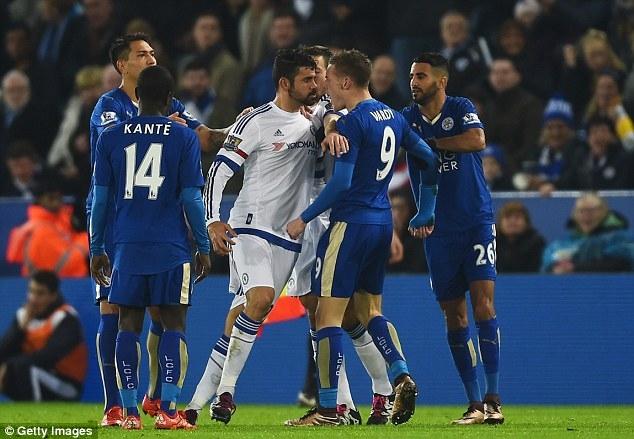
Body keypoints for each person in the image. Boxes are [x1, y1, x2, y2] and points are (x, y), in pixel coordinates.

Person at [286, 49, 438, 426]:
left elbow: (341, 183)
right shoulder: (394, 117)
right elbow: (429, 158)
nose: (326, 89)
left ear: (345, 81)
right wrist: (426, 208)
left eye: (329, 81)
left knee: (327, 318)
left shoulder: (353, 123)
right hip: (381, 224)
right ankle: (401, 375)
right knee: (371, 311)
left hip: (350, 225)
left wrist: (303, 218)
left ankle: (327, 409)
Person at [88, 32, 227, 427]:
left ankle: (136, 406)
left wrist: (241, 130)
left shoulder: (123, 131)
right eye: (142, 54)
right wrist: (204, 244)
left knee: (132, 320)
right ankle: (136, 406)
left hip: (124, 235)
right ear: (122, 65)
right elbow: (191, 194)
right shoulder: (108, 109)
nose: (150, 58)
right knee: (147, 318)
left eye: (152, 52)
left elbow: (204, 134)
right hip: (151, 234)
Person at [202, 48, 320, 426]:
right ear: (285, 83)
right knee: (262, 297)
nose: (314, 84)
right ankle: (226, 394)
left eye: (316, 78)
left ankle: (194, 404)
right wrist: (212, 220)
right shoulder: (256, 120)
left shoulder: (317, 119)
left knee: (248, 311)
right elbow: (219, 171)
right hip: (250, 226)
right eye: (306, 79)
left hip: (290, 236)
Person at [403, 52, 504, 425]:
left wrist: (430, 144)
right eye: (412, 76)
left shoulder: (461, 108)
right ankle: (474, 403)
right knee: (454, 314)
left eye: (422, 76)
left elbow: (477, 139)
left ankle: (494, 399)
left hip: (475, 220)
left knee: (484, 306)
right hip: (438, 230)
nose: (414, 82)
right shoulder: (406, 117)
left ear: (441, 81)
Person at [0, 270, 87, 401]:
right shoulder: (23, 316)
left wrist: (10, 365)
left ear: (53, 296)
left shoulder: (66, 318)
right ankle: (23, 408)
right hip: (32, 373)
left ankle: (34, 410)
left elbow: (48, 356)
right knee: (15, 368)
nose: (33, 298)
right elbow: (3, 352)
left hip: (66, 386)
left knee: (23, 367)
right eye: (31, 291)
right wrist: (20, 330)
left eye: (40, 293)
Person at [6, 175, 88, 277]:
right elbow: (64, 264)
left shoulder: (65, 220)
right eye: (51, 198)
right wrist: (85, 240)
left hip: (71, 279)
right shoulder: (38, 228)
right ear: (40, 200)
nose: (57, 202)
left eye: (59, 198)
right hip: (51, 282)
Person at [541, 192, 634, 273]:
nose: (586, 216)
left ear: (604, 211)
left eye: (591, 210)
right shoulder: (560, 245)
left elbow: (621, 263)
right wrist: (555, 268)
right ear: (574, 214)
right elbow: (548, 267)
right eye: (581, 211)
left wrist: (575, 268)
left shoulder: (622, 239)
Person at [496, 202, 546, 272]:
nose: (512, 221)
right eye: (507, 217)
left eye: (517, 217)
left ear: (526, 222)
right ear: (500, 223)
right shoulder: (491, 244)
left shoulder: (537, 243)